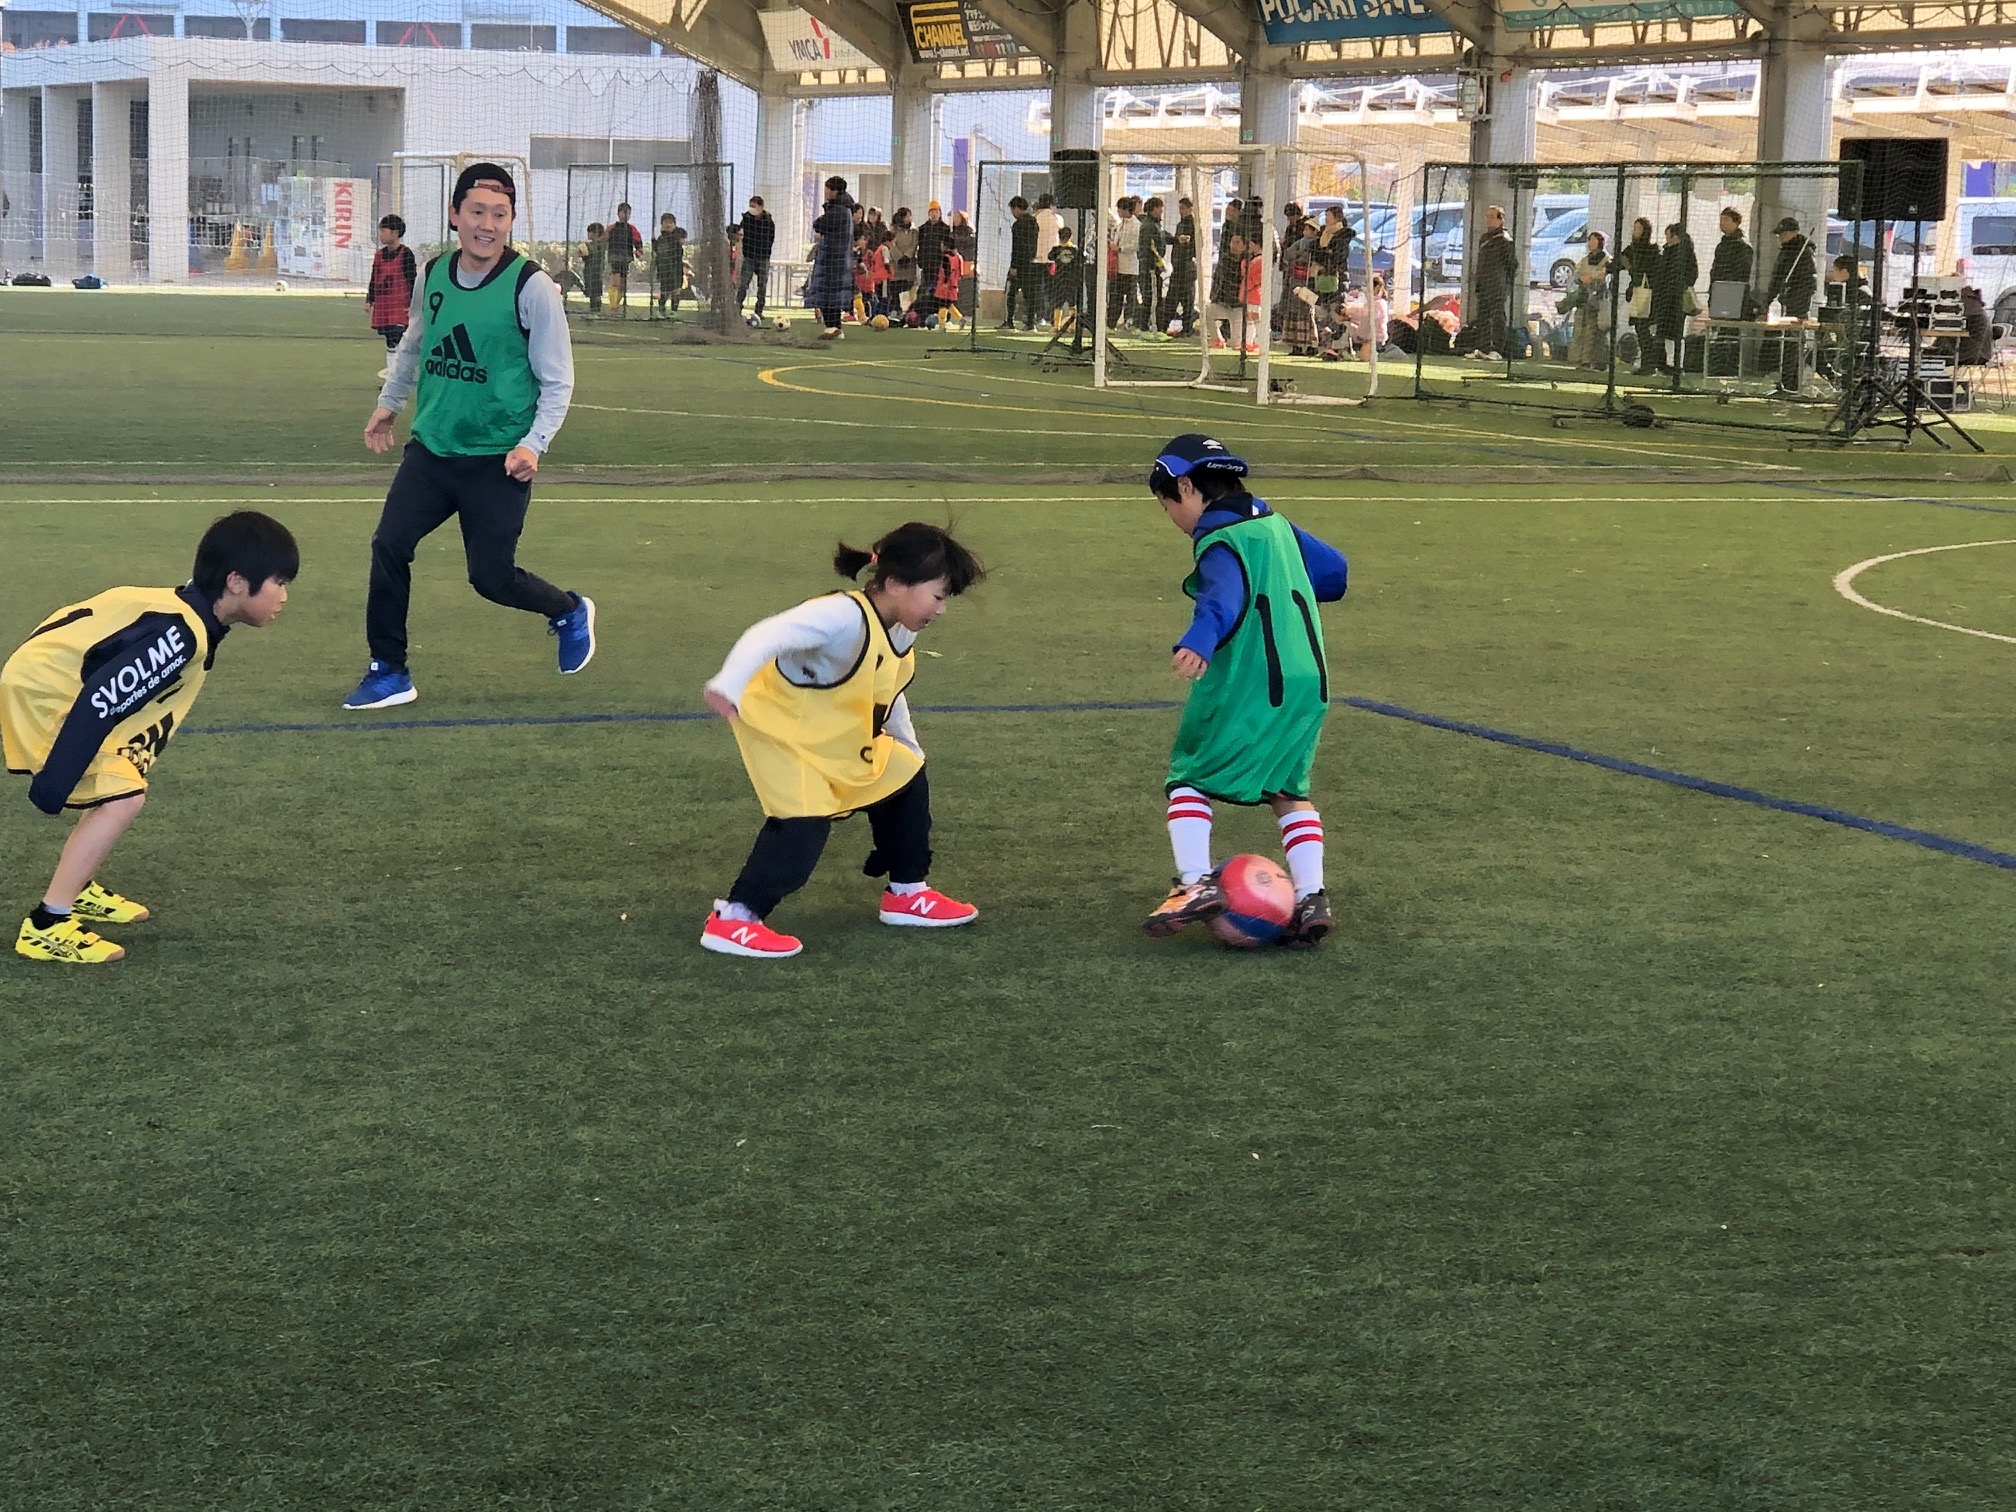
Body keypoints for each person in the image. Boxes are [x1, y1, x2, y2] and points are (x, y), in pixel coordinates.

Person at [348, 163, 593, 710]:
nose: (487, 224)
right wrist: (389, 404)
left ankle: (568, 610)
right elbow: (414, 345)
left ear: (511, 220)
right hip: (431, 450)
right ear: (455, 214)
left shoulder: (531, 287)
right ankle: (389, 671)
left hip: (498, 459)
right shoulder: (433, 272)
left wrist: (533, 443)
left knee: (490, 579)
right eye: (477, 212)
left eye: (499, 214)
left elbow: (558, 379)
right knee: (389, 545)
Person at [5, 511, 298, 964]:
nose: (284, 596)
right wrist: (55, 783)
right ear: (237, 582)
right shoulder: (182, 634)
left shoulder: (186, 614)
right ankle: (47, 924)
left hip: (52, 682)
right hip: (45, 694)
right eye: (278, 582)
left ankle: (76, 886)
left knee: (120, 778)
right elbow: (102, 698)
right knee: (124, 796)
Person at [699, 523, 986, 959]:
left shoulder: (900, 628)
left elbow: (886, 688)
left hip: (831, 736)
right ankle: (735, 918)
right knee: (802, 827)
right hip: (783, 734)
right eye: (939, 596)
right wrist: (728, 685)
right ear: (895, 584)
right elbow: (768, 634)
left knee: (904, 777)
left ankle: (907, 893)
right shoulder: (841, 616)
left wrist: (906, 745)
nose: (942, 609)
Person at [1142, 435, 1347, 949]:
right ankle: (1311, 896)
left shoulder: (1219, 538)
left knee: (1190, 775)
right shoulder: (1275, 523)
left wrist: (1200, 639)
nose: (1172, 517)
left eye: (1166, 505)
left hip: (1257, 678)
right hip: (1310, 678)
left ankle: (1195, 885)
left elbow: (1221, 597)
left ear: (1185, 488)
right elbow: (1334, 573)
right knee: (1287, 788)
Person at [1765, 215, 1819, 393]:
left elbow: (1808, 285)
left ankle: (1791, 384)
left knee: (1793, 346)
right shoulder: (1786, 252)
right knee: (1781, 345)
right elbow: (1778, 279)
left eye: (1783, 233)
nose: (1780, 237)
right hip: (1782, 305)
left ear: (1792, 232)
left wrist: (1795, 306)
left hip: (1796, 308)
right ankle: (1783, 381)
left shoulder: (1804, 253)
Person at [1461, 204, 1518, 359]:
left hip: (1497, 286)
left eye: (1492, 217)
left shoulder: (1505, 240)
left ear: (1501, 220)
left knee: (1497, 317)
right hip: (1483, 285)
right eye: (1487, 216)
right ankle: (1483, 348)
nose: (1488, 220)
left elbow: (1512, 265)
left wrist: (1504, 282)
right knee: (1482, 317)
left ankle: (1497, 349)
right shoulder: (1484, 238)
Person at [805, 175, 856, 340]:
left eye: (828, 189)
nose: (826, 192)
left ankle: (832, 326)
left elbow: (819, 224)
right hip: (838, 258)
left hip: (833, 259)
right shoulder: (844, 209)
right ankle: (835, 327)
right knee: (833, 293)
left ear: (835, 191)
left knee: (829, 294)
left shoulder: (838, 210)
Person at [367, 214, 417, 372]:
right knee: (390, 340)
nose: (380, 234)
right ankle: (392, 376)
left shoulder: (406, 254)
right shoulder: (379, 255)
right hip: (384, 305)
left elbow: (413, 281)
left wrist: (414, 305)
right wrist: (370, 300)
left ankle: (400, 374)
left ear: (395, 233)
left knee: (399, 338)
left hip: (400, 306)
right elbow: (374, 278)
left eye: (384, 230)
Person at [1650, 220, 1698, 376]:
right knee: (1665, 333)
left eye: (1668, 236)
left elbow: (1691, 275)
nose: (1667, 239)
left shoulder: (1683, 254)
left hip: (1675, 300)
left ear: (1675, 236)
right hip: (1665, 299)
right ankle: (1666, 363)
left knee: (1675, 333)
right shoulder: (1668, 253)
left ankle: (1675, 364)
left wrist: (1678, 287)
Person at [1620, 216, 1660, 375]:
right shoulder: (1631, 249)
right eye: (1635, 228)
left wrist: (1631, 268)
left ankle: (1649, 364)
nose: (1636, 231)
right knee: (1640, 329)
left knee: (1644, 329)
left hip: (1648, 295)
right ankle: (1646, 363)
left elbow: (1646, 270)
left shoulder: (1651, 250)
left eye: (1639, 228)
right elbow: (1619, 262)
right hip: (1636, 293)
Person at [1567, 230, 1611, 369]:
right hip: (1583, 298)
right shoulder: (1585, 260)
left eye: (1594, 239)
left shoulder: (1607, 260)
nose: (1590, 242)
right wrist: (1582, 279)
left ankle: (1597, 361)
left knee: (1596, 332)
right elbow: (1576, 275)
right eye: (1589, 239)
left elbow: (1606, 277)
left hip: (1598, 301)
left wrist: (1593, 278)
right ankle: (1580, 359)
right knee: (1580, 330)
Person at [1001, 195, 1040, 331]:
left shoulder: (1018, 225)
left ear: (1017, 208)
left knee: (1011, 293)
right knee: (1030, 294)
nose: (1012, 213)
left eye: (1012, 209)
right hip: (1031, 262)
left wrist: (1013, 266)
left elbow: (1017, 247)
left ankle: (1009, 321)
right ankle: (1031, 323)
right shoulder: (1034, 223)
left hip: (1019, 264)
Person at [736, 194, 775, 318]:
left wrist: (765, 251)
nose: (751, 208)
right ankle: (737, 308)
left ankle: (759, 311)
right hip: (749, 257)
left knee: (762, 286)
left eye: (754, 206)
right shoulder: (746, 219)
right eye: (750, 206)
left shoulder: (768, 221)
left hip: (763, 257)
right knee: (743, 284)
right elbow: (740, 232)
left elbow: (771, 238)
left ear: (761, 207)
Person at [1106, 195, 1142, 328]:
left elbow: (1136, 245)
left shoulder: (1137, 226)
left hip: (1131, 267)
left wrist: (1121, 248)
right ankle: (1111, 323)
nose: (1118, 212)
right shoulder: (1120, 225)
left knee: (1131, 297)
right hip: (1117, 267)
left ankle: (1129, 321)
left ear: (1126, 209)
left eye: (1120, 209)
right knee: (1115, 296)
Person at [1165, 195, 1198, 333]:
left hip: (1187, 268)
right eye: (1179, 208)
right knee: (1172, 298)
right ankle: (1164, 326)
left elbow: (1197, 247)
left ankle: (1187, 328)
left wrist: (1187, 249)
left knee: (1187, 300)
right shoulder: (1180, 224)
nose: (1181, 211)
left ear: (1190, 209)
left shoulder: (1194, 225)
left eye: (1183, 208)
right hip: (1177, 267)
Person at [916, 201, 955, 316]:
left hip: (940, 266)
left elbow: (948, 248)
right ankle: (924, 313)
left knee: (939, 291)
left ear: (940, 213)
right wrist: (920, 261)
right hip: (926, 265)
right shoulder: (923, 229)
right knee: (925, 289)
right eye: (932, 211)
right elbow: (921, 246)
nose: (934, 214)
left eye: (936, 211)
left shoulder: (945, 229)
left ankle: (941, 314)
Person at [1137, 196, 1167, 332]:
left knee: (1153, 298)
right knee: (1152, 299)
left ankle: (1146, 327)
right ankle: (1153, 329)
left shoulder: (1156, 225)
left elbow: (1163, 239)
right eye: (1160, 207)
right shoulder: (1149, 226)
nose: (1162, 210)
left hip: (1152, 268)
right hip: (1150, 269)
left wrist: (1177, 239)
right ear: (1154, 209)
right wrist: (1158, 263)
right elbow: (1149, 248)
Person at [606, 202, 642, 314]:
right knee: (616, 282)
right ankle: (613, 306)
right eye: (624, 212)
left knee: (622, 285)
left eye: (629, 213)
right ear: (618, 213)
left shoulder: (632, 229)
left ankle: (616, 304)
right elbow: (604, 238)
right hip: (615, 257)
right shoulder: (612, 228)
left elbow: (638, 241)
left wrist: (638, 250)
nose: (627, 215)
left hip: (626, 258)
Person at [1709, 207, 1753, 297]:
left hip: (1734, 292)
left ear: (1736, 223)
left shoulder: (1742, 247)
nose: (1722, 223)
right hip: (1718, 290)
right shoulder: (1721, 246)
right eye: (1721, 219)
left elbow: (1742, 273)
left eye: (1726, 219)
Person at [1047, 224, 1084, 327]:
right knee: (1072, 303)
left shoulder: (1056, 249)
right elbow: (1083, 258)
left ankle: (1056, 326)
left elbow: (1049, 257)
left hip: (1059, 279)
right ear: (1071, 236)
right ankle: (1072, 326)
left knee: (1058, 303)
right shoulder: (1075, 250)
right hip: (1072, 280)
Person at [652, 212, 686, 314]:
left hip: (676, 269)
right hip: (664, 270)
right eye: (665, 222)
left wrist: (679, 237)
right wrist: (654, 242)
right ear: (661, 224)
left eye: (671, 223)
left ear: (674, 225)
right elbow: (658, 251)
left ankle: (673, 312)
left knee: (676, 290)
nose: (668, 225)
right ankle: (661, 310)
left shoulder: (676, 236)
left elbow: (681, 243)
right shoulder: (661, 239)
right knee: (665, 291)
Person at [887, 207, 919, 314]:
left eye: (909, 216)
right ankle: (896, 311)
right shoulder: (894, 231)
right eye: (906, 216)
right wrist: (899, 257)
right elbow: (892, 245)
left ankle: (909, 312)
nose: (908, 218)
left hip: (909, 266)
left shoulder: (914, 232)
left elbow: (914, 245)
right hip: (897, 266)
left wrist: (907, 256)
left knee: (909, 289)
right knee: (896, 289)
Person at [579, 221, 606, 316]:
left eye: (589, 232)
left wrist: (584, 250)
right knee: (591, 291)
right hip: (590, 270)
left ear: (595, 233)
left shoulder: (599, 245)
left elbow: (591, 253)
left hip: (596, 271)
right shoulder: (593, 244)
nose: (588, 234)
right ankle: (593, 309)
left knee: (596, 291)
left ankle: (596, 310)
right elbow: (587, 258)